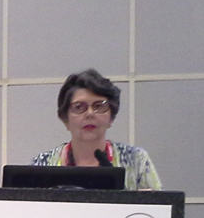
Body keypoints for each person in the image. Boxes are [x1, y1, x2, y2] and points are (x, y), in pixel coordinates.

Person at [31, 68, 162, 191]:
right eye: (79, 107)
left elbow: (157, 210)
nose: (90, 114)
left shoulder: (136, 160)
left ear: (111, 117)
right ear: (65, 119)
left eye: (99, 106)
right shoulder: (43, 163)